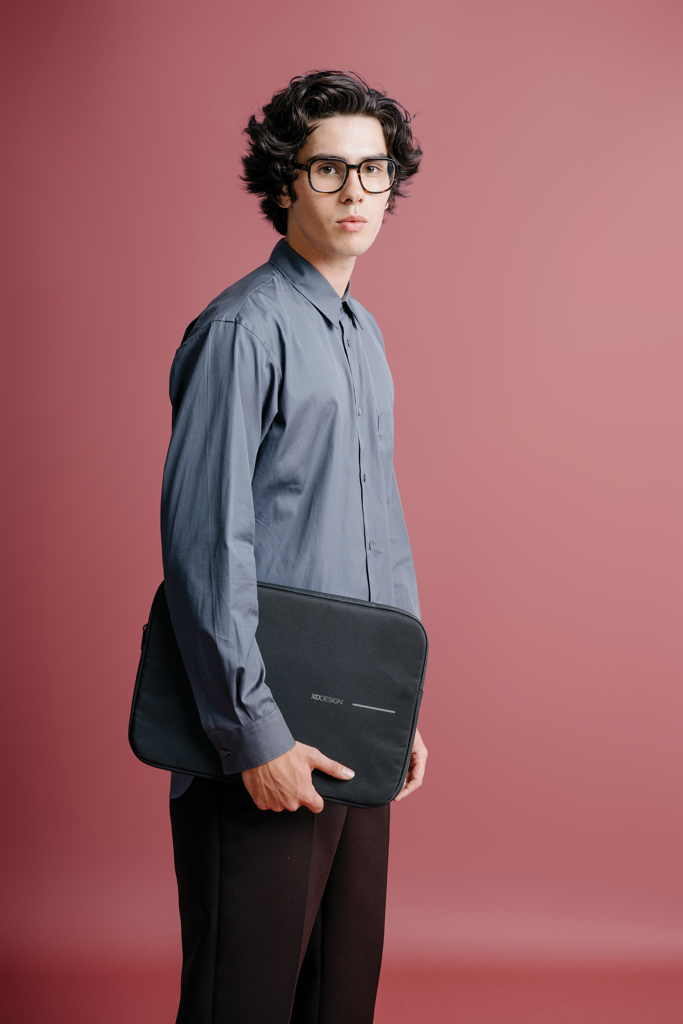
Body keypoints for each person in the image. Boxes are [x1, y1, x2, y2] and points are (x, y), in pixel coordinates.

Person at [160, 70, 427, 1024]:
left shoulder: (362, 334)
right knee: (243, 1002)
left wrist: (396, 704)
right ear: (283, 183)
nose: (356, 190)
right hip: (263, 738)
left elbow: (377, 526)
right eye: (328, 169)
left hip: (354, 732)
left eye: (373, 168)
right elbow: (204, 548)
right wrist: (253, 736)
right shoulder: (242, 329)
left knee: (338, 1001)